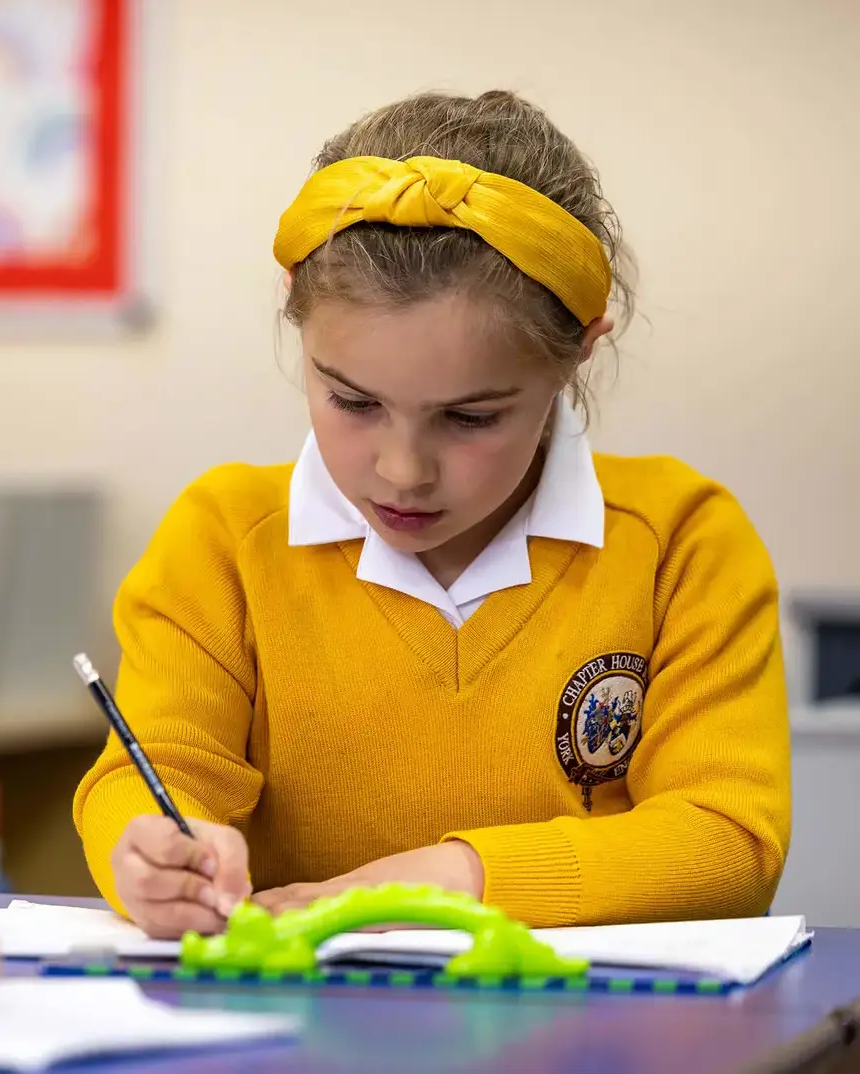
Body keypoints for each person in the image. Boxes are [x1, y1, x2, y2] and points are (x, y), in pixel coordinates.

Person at [73, 90, 790, 937]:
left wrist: (443, 879)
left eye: (470, 418)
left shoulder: (682, 542)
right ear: (295, 308)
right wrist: (149, 849)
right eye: (351, 401)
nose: (401, 471)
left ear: (577, 353)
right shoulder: (224, 539)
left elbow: (729, 840)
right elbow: (153, 774)